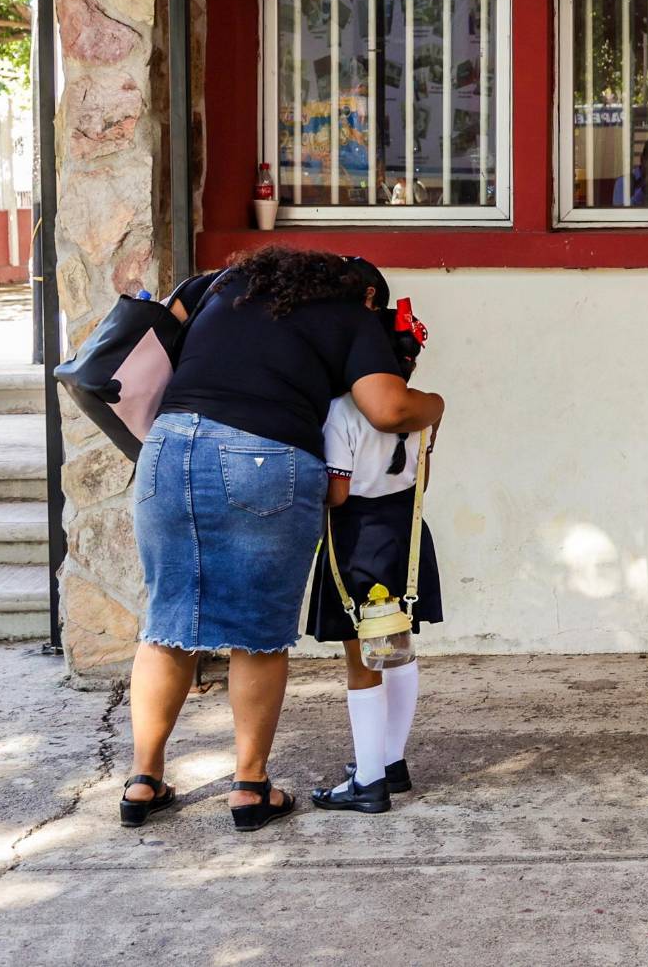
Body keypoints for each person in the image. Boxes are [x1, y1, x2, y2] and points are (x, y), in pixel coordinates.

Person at [117, 250, 444, 834]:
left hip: (166, 445)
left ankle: (144, 781)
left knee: (167, 618)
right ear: (367, 296)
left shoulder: (226, 281)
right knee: (258, 630)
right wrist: (435, 406)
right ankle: (249, 787)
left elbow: (163, 326)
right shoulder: (351, 315)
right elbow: (388, 407)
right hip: (263, 455)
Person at [306, 297, 443, 814]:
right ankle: (391, 760)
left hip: (355, 535)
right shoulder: (416, 405)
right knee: (398, 644)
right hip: (403, 531)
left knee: (361, 658)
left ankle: (367, 782)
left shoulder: (342, 410)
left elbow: (337, 494)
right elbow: (424, 477)